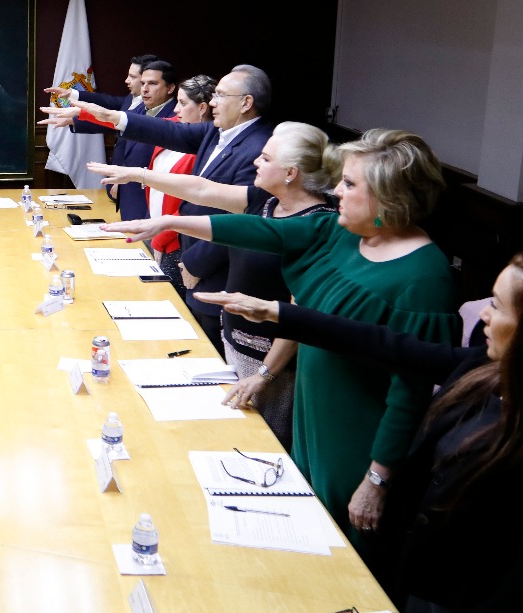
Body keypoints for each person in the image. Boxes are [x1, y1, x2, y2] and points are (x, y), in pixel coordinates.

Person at [101, 129, 460, 556]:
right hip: (312, 412)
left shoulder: (425, 276)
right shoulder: (343, 233)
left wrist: (377, 478)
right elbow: (265, 232)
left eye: (349, 184)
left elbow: (411, 392)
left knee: (345, 548)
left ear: (388, 196)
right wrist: (171, 220)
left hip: (357, 435)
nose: (335, 191)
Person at [196, 248, 523, 613]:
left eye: (498, 306)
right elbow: (390, 346)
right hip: (422, 576)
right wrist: (278, 313)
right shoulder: (484, 368)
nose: (483, 312)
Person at [92, 120, 340, 450]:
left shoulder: (317, 225)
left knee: (265, 448)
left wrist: (264, 375)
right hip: (235, 346)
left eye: (265, 159)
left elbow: (299, 311)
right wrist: (138, 174)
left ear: (291, 172)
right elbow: (201, 189)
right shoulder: (264, 201)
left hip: (276, 367)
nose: (255, 161)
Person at [41, 64, 274, 343]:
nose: (212, 101)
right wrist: (111, 116)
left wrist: (195, 263)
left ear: (246, 103)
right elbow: (169, 132)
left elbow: (243, 219)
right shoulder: (219, 131)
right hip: (194, 259)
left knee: (210, 350)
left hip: (218, 272)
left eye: (221, 95)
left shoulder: (259, 147)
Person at [53, 56, 177, 220]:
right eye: (143, 83)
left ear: (170, 88)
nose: (145, 89)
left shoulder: (176, 119)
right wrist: (79, 118)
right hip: (130, 200)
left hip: (151, 203)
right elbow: (114, 121)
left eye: (152, 84)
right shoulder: (141, 108)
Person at [144, 74, 216, 294]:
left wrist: (160, 238)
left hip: (175, 242)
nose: (175, 109)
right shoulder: (173, 128)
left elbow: (191, 207)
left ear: (202, 108)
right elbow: (131, 121)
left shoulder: (204, 149)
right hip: (155, 230)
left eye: (183, 103)